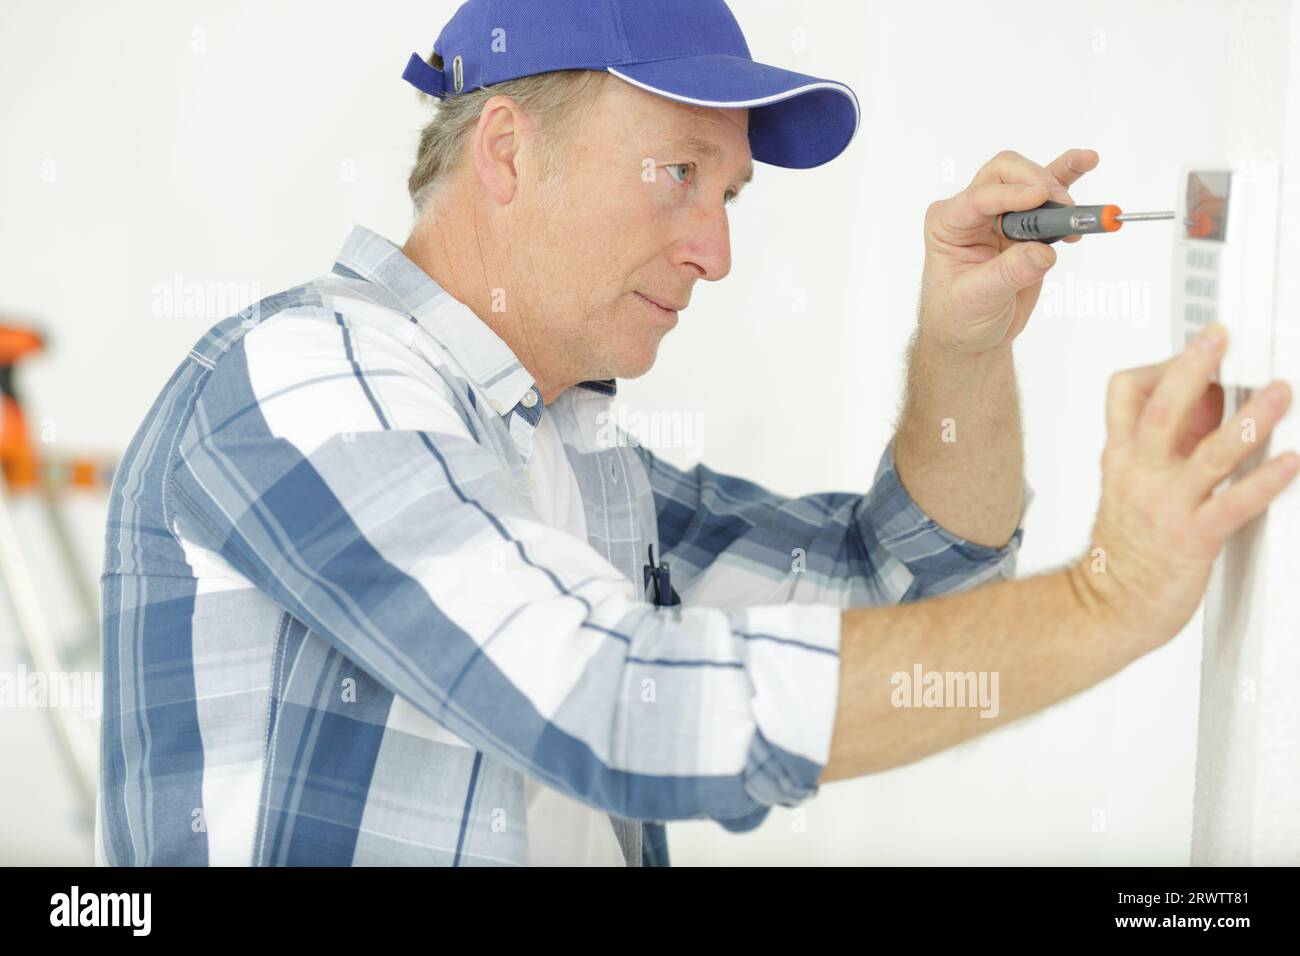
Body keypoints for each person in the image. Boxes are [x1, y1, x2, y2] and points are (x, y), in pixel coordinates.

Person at [97, 0, 1297, 867]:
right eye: (676, 174)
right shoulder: (303, 376)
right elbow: (609, 699)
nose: (715, 253)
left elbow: (898, 593)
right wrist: (1110, 598)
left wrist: (965, 346)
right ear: (508, 151)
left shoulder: (563, 453)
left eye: (725, 197)